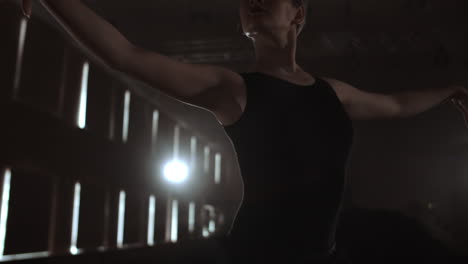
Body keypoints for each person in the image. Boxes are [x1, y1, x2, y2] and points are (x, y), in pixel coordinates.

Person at [21, 0, 468, 263]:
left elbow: (396, 104)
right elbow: (126, 55)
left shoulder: (333, 93)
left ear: (298, 14)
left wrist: (451, 90)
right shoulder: (232, 89)